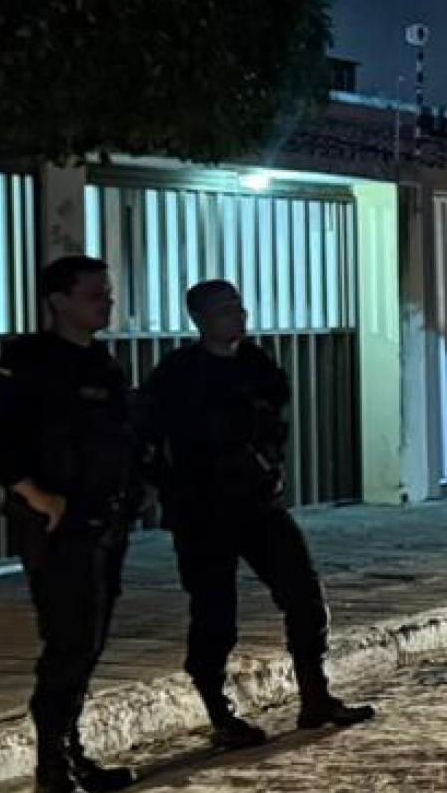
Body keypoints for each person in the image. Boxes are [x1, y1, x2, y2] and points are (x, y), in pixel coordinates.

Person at [142, 279, 374, 747]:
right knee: (215, 614)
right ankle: (220, 715)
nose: (239, 316)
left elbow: (273, 424)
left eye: (239, 306)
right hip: (203, 512)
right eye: (226, 309)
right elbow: (150, 438)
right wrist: (170, 491)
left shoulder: (256, 365)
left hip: (258, 504)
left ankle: (315, 695)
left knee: (304, 595)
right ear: (201, 319)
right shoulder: (179, 374)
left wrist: (269, 468)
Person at [0, 255, 144, 793]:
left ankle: (72, 751)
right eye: (95, 294)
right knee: (68, 645)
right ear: (58, 300)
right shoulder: (28, 363)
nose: (106, 303)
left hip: (102, 522)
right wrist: (33, 493)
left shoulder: (101, 364)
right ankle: (51, 772)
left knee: (87, 644)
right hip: (56, 526)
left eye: (108, 294)